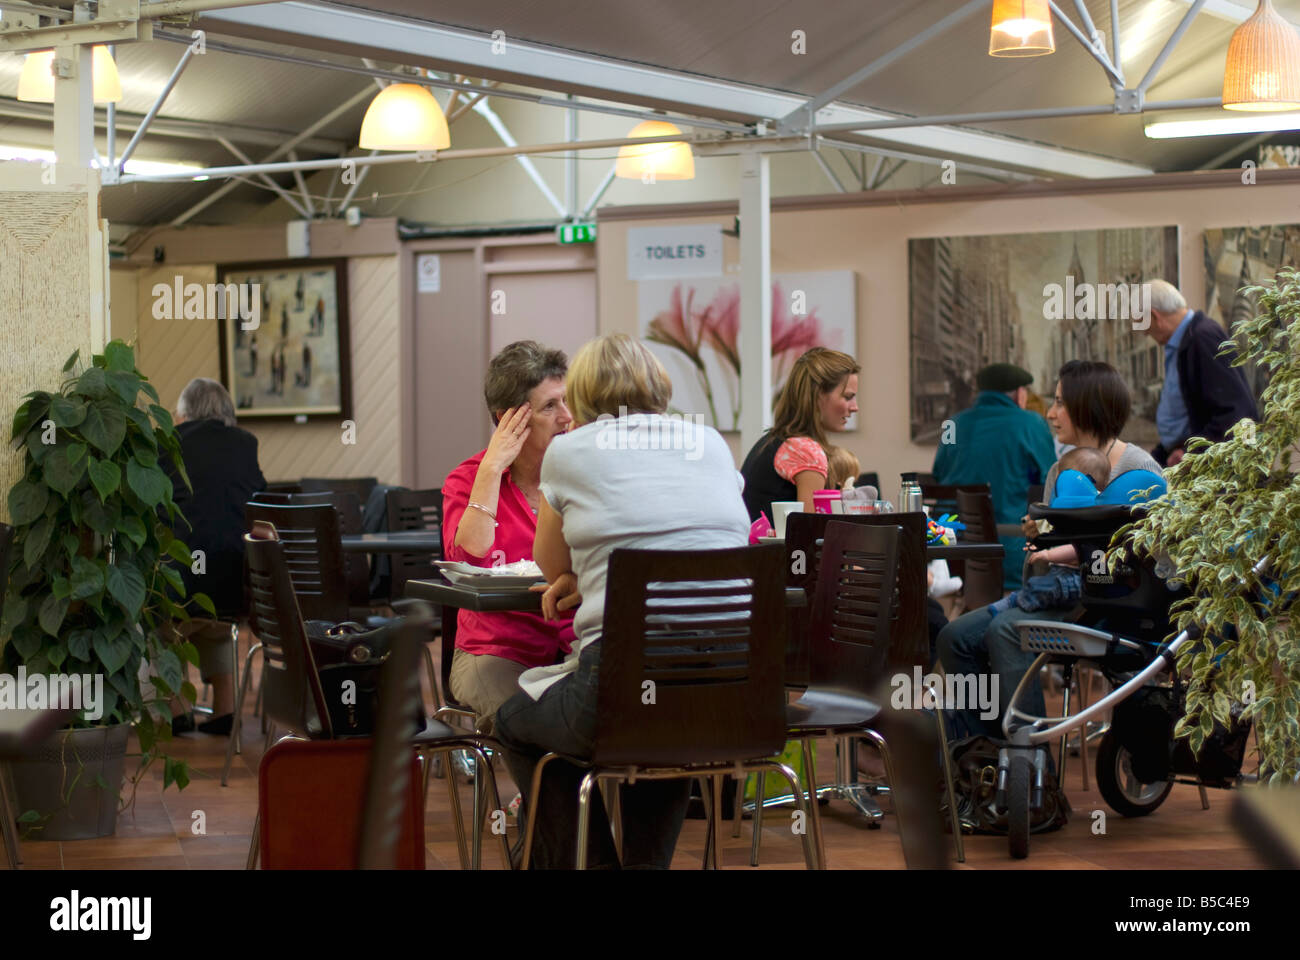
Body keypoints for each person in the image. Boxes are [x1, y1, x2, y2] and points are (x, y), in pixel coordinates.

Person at [493, 334, 750, 869]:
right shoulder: (709, 444)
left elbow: (549, 564)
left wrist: (580, 577)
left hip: (619, 688)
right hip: (728, 693)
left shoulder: (570, 452)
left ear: (583, 393)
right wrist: (596, 577)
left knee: (517, 724)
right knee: (661, 735)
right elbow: (698, 547)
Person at [937, 360, 1162, 738]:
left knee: (1007, 630)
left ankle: (1030, 764)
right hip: (1055, 595)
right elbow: (1054, 534)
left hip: (1109, 605)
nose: (1051, 413)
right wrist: (1038, 531)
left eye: (1060, 403)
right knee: (953, 637)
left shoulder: (1140, 469)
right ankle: (984, 749)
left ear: (1088, 406)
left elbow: (1149, 557)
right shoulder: (1061, 469)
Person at [442, 341, 576, 728]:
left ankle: (548, 792)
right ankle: (543, 791)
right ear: (507, 420)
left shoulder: (577, 476)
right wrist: (492, 468)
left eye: (566, 401)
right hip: (495, 652)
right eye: (550, 406)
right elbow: (468, 561)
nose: (566, 417)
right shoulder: (467, 479)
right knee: (532, 723)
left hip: (571, 647)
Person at [166, 378, 267, 735]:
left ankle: (177, 708)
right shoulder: (245, 444)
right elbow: (260, 502)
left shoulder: (169, 442)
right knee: (216, 621)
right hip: (236, 582)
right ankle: (225, 709)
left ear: (184, 413)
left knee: (162, 620)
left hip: (179, 582)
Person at [931, 362, 1056, 590]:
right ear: (1019, 393)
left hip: (953, 551)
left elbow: (939, 474)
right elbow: (1050, 481)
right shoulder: (1031, 424)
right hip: (1010, 552)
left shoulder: (953, 424)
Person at [1143, 279, 1258, 467]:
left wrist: (1191, 453)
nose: (1145, 334)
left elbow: (1236, 411)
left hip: (1211, 469)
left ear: (1154, 316)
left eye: (1142, 324)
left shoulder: (1202, 338)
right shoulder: (1185, 340)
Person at [985, 446, 1110, 618]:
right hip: (1060, 575)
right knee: (1039, 585)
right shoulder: (1073, 511)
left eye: (1065, 478)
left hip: (1080, 580)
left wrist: (1049, 555)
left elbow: (1078, 549)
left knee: (1040, 588)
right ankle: (1016, 603)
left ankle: (1016, 606)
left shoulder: (1096, 515)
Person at [739, 347, 859, 521]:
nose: (855, 407)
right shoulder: (804, 450)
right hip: (778, 550)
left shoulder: (770, 441)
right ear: (818, 396)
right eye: (848, 397)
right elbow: (809, 534)